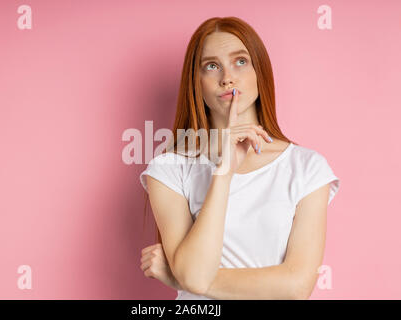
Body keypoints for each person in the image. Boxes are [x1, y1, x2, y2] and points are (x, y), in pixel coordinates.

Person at [139, 17, 340, 300]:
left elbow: (296, 287)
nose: (227, 77)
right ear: (196, 82)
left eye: (240, 61)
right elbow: (194, 276)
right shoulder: (169, 168)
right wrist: (224, 172)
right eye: (211, 66)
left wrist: (181, 277)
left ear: (260, 71)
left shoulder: (307, 168)